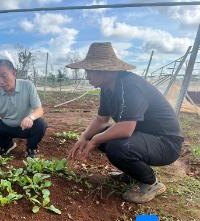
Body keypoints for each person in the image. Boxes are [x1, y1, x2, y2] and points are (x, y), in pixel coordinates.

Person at [67, 42, 184, 203]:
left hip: (166, 142)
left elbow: (126, 129)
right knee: (100, 135)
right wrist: (84, 136)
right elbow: (101, 119)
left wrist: (95, 140)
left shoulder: (130, 85)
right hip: (144, 136)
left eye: (90, 71)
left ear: (106, 71)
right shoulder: (107, 88)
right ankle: (132, 174)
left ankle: (151, 183)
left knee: (118, 146)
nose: (87, 76)